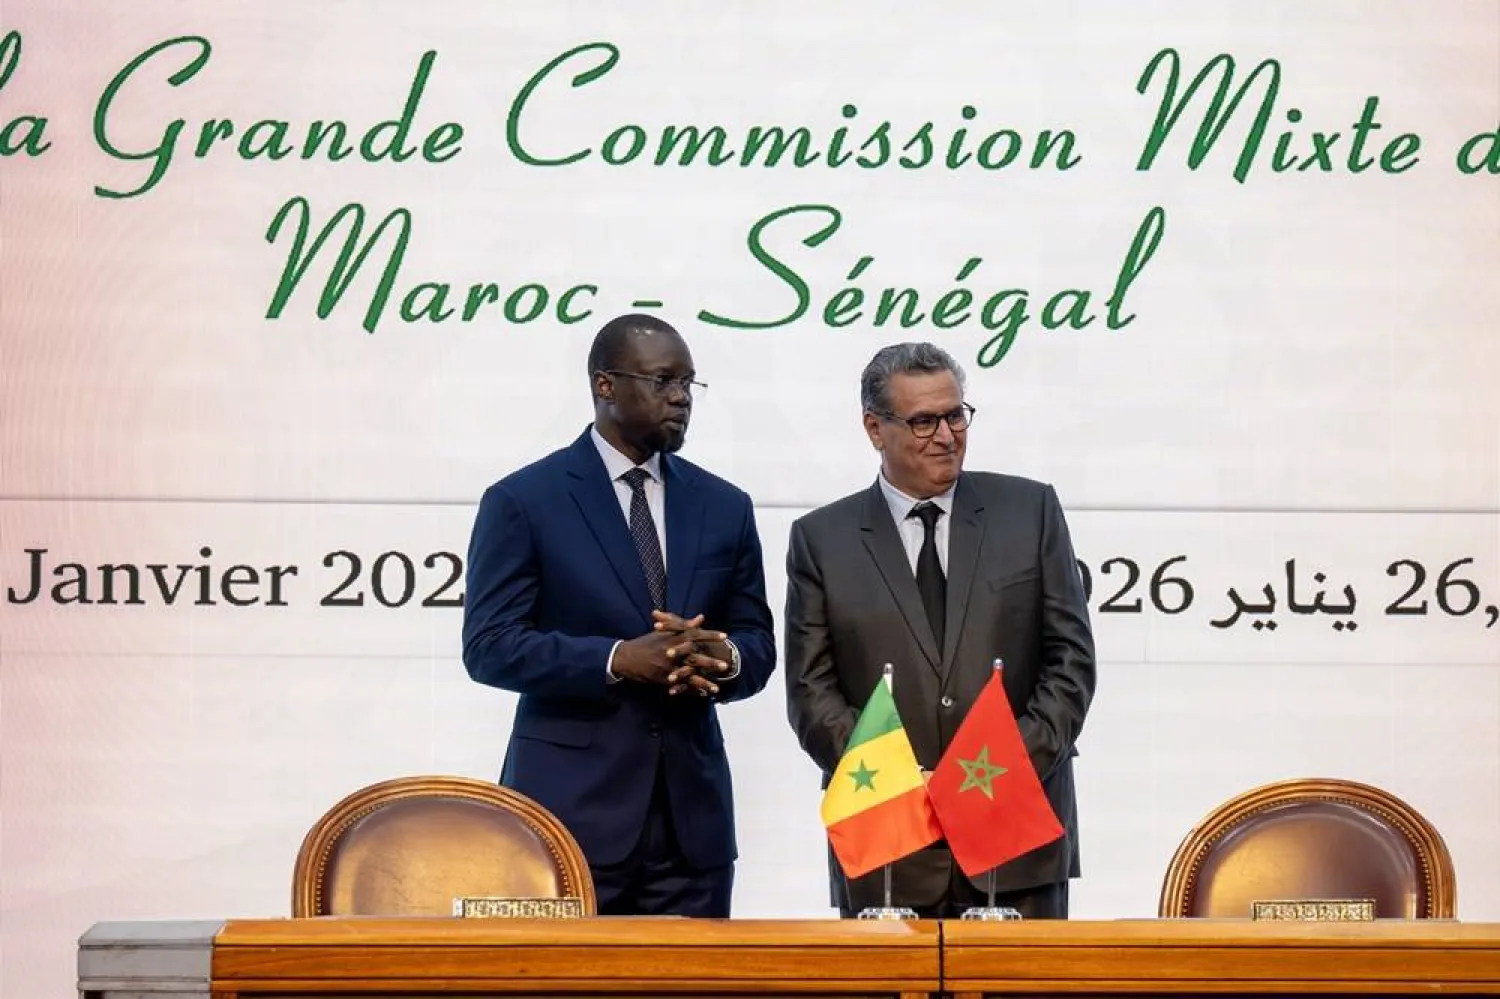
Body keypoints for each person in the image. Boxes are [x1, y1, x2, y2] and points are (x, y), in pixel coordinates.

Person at [462, 313, 776, 918]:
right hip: (567, 823)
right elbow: (490, 645)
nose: (681, 397)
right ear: (605, 385)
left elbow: (757, 644)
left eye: (689, 383)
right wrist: (616, 659)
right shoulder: (525, 500)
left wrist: (725, 655)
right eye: (663, 381)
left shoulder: (724, 505)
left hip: (693, 831)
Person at [783, 341, 1096, 919]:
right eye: (924, 421)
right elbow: (810, 692)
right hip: (889, 845)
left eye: (956, 415)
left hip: (1015, 843)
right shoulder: (820, 539)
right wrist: (909, 781)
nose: (948, 435)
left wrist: (992, 772)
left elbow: (1071, 663)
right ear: (875, 428)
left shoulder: (1031, 511)